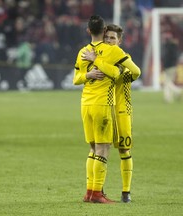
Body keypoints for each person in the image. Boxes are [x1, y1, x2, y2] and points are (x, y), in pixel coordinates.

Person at [73, 15, 141, 203]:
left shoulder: (121, 57)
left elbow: (129, 74)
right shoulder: (103, 54)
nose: (109, 40)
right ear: (103, 35)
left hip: (121, 110)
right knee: (97, 149)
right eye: (107, 37)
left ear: (119, 41)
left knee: (123, 150)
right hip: (104, 107)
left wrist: (98, 63)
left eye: (113, 38)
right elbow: (77, 77)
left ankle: (125, 193)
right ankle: (96, 190)